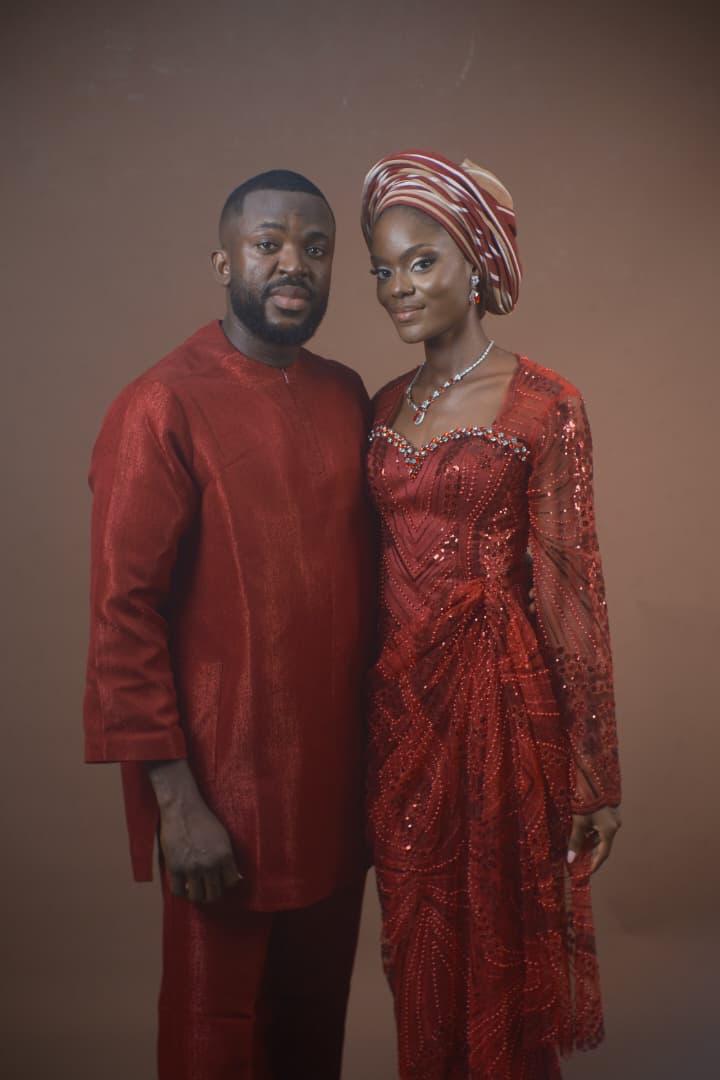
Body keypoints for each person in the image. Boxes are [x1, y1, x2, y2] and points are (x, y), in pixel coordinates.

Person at [83, 170, 375, 1079]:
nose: (295, 264)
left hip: (339, 789)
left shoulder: (345, 394)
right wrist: (176, 802)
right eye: (270, 244)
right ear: (225, 260)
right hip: (227, 797)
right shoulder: (160, 404)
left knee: (314, 1025)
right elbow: (121, 616)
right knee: (220, 1031)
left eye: (317, 248)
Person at [360, 150, 622, 1079]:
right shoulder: (383, 404)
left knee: (502, 953)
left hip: (503, 715)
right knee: (416, 948)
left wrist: (594, 772)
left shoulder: (545, 401)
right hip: (401, 723)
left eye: (422, 262)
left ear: (477, 261)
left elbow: (570, 587)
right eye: (384, 268)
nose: (398, 287)